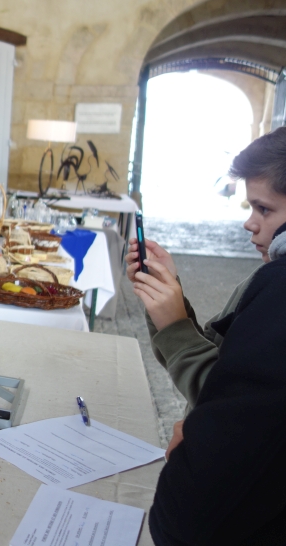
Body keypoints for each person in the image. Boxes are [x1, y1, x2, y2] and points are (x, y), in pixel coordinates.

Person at [127, 128, 286, 544]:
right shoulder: (265, 279)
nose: (250, 222)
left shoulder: (279, 288)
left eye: (264, 209)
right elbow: (223, 359)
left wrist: (174, 324)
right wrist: (169, 301)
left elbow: (222, 397)